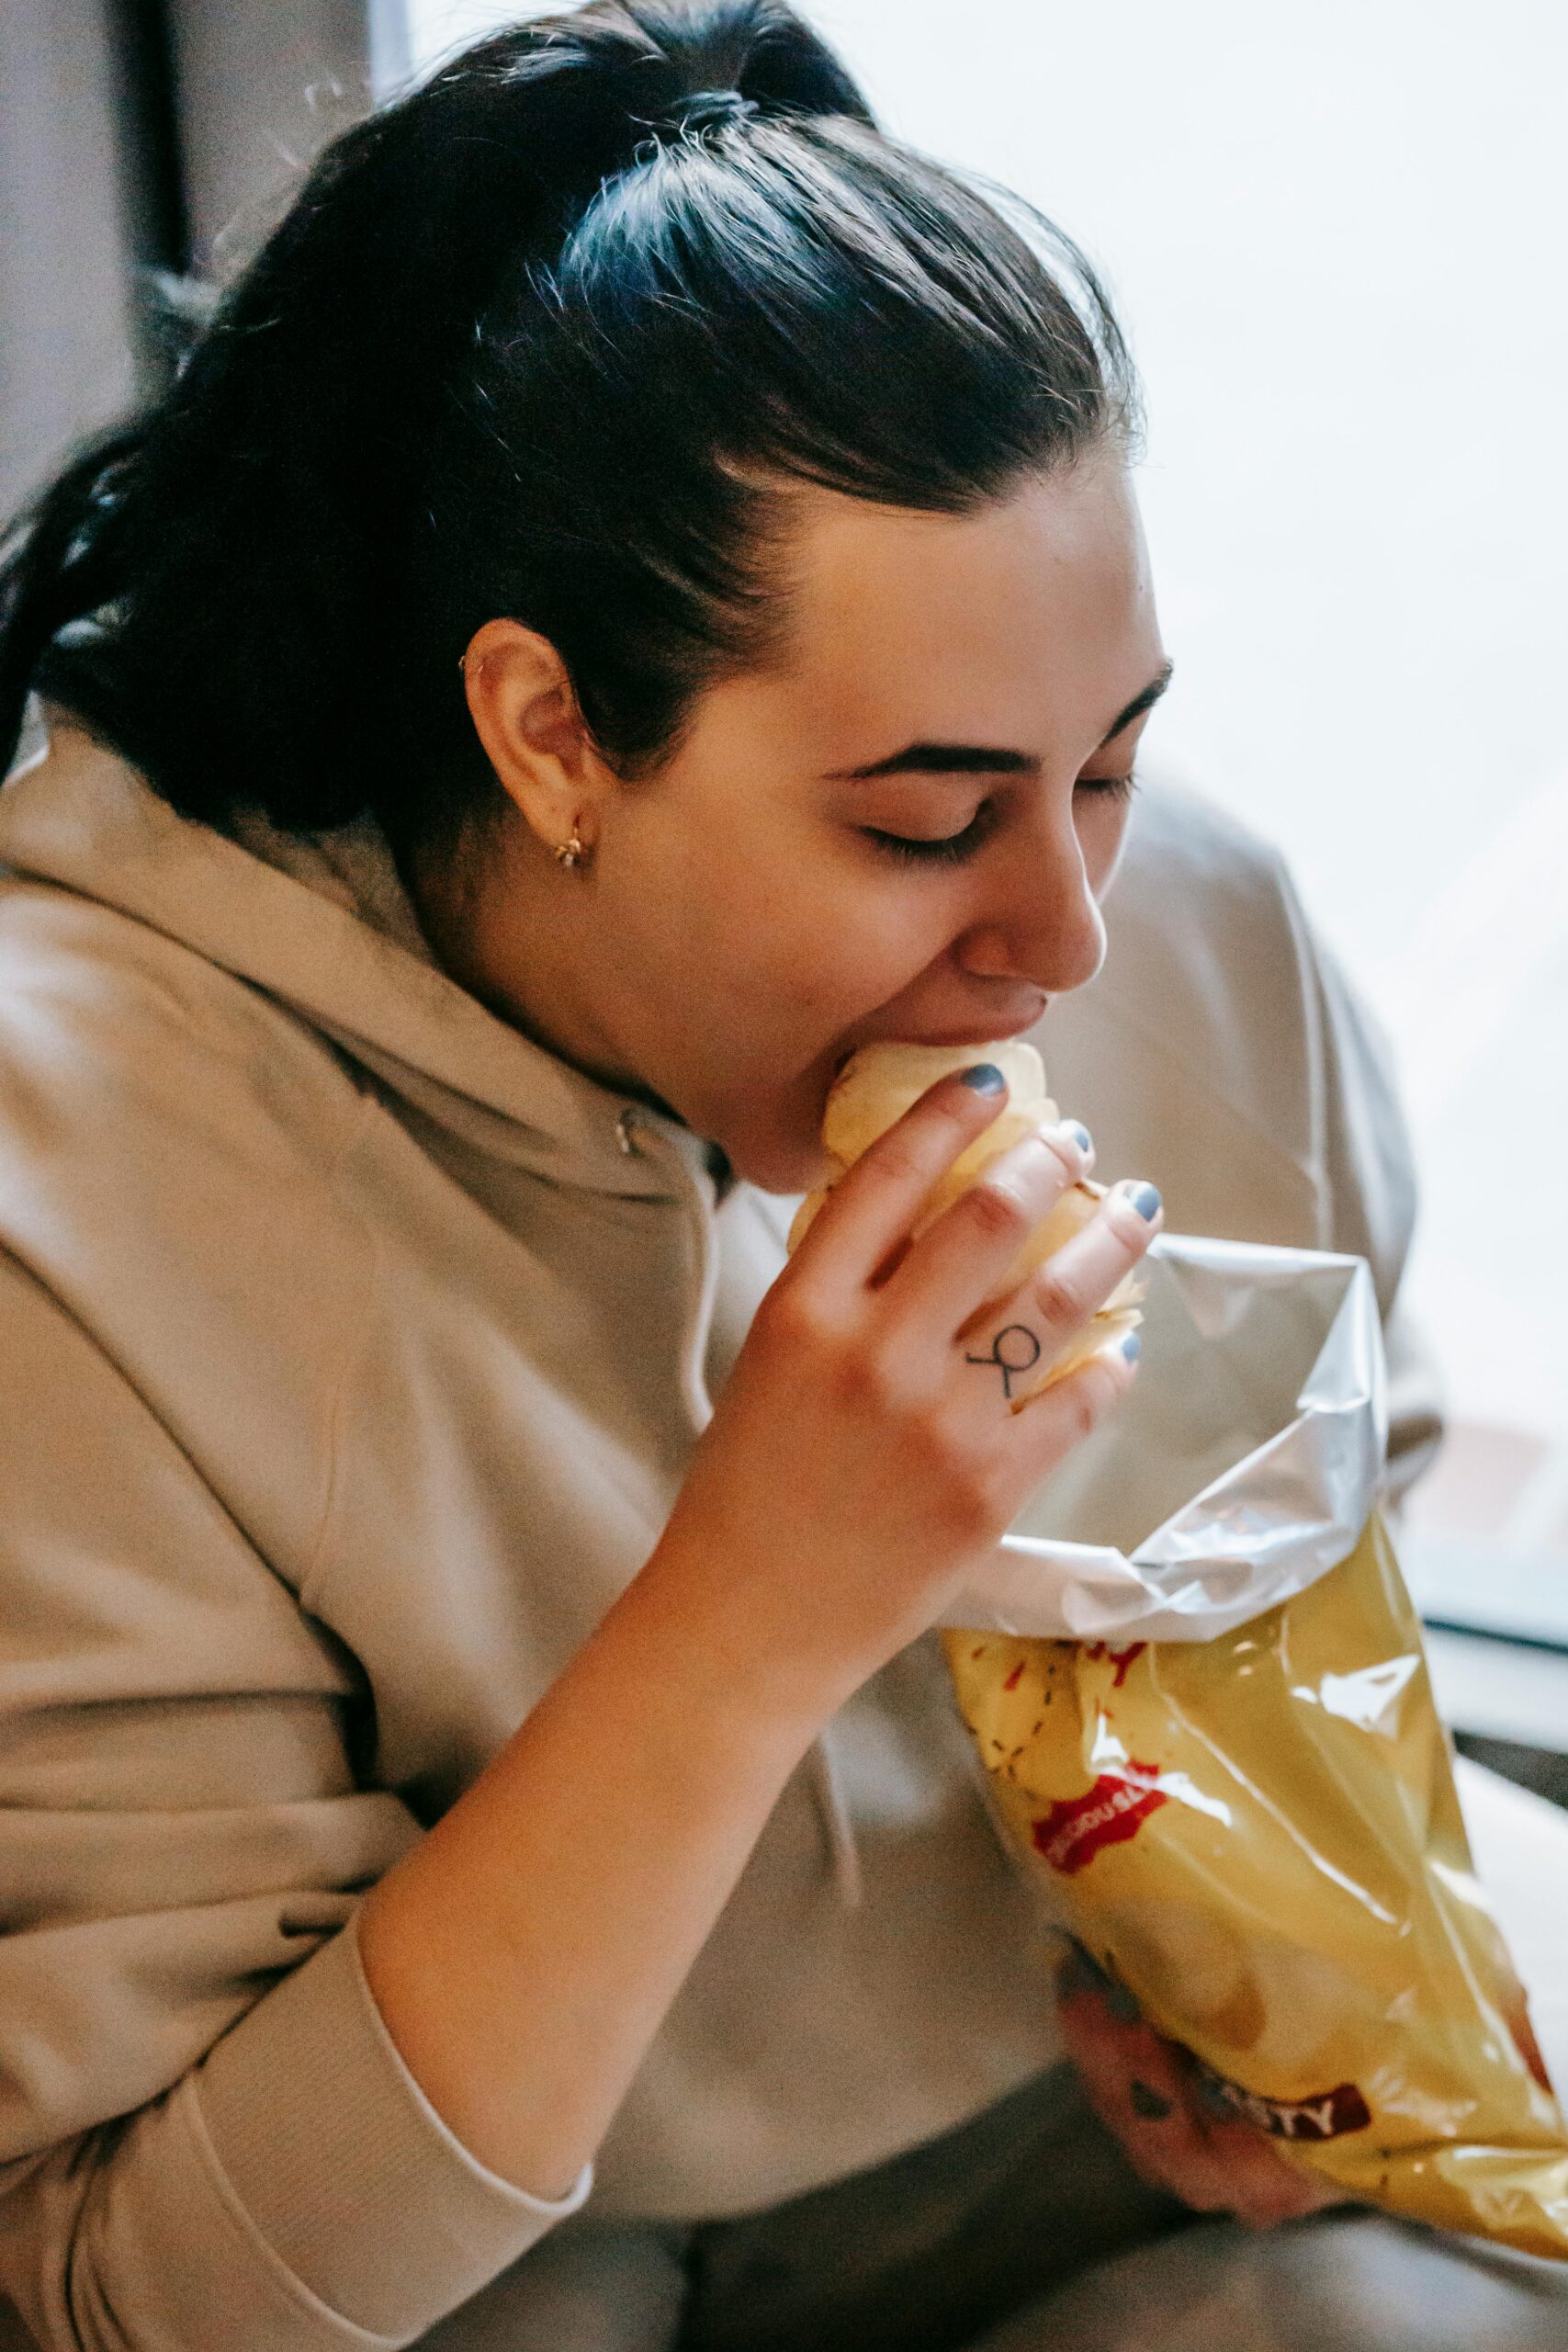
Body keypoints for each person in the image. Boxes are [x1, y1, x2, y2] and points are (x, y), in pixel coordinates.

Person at [0, 5, 1561, 2346]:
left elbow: (1328, 1585)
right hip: (491, 2262)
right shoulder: (77, 1187)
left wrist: (1240, 1962)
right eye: (924, 822)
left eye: (1108, 763)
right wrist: (752, 1602)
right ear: (546, 732)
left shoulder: (1181, 929)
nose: (1062, 937)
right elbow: (137, 2288)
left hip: (1058, 2145)